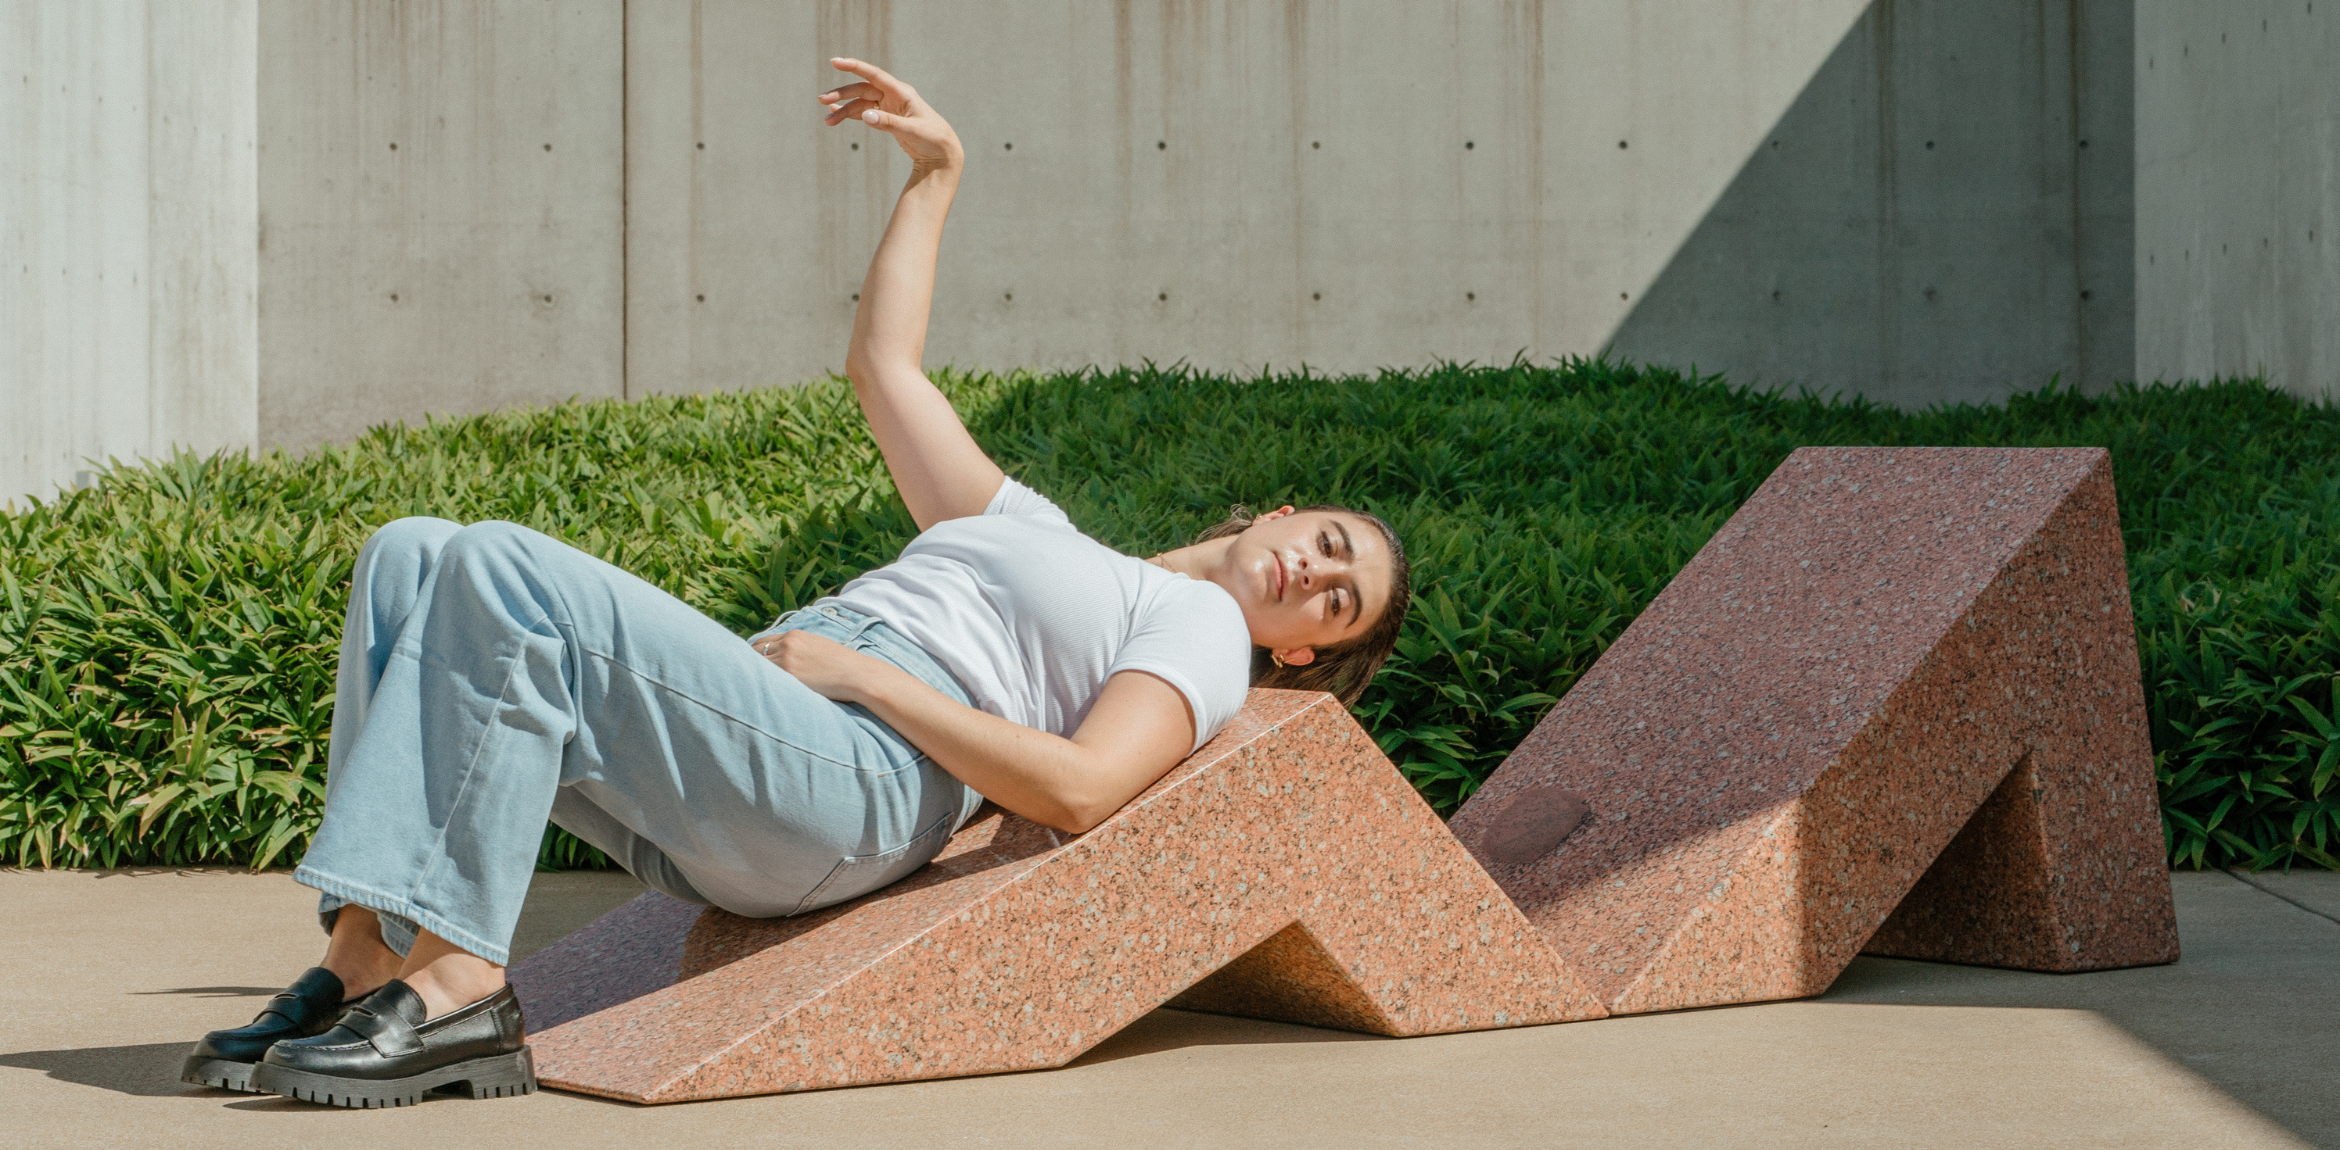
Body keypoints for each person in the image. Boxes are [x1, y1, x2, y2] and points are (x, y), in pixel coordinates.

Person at [179, 58, 1411, 1108]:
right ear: (1290, 515)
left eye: (1333, 601)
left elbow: (1084, 787)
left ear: (1298, 649)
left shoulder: (1195, 625)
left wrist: (861, 672)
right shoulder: (1041, 529)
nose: (1315, 572)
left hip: (862, 780)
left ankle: (459, 987)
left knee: (500, 563)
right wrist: (938, 176)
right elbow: (885, 369)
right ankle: (363, 959)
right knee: (412, 550)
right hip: (778, 746)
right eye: (1332, 544)